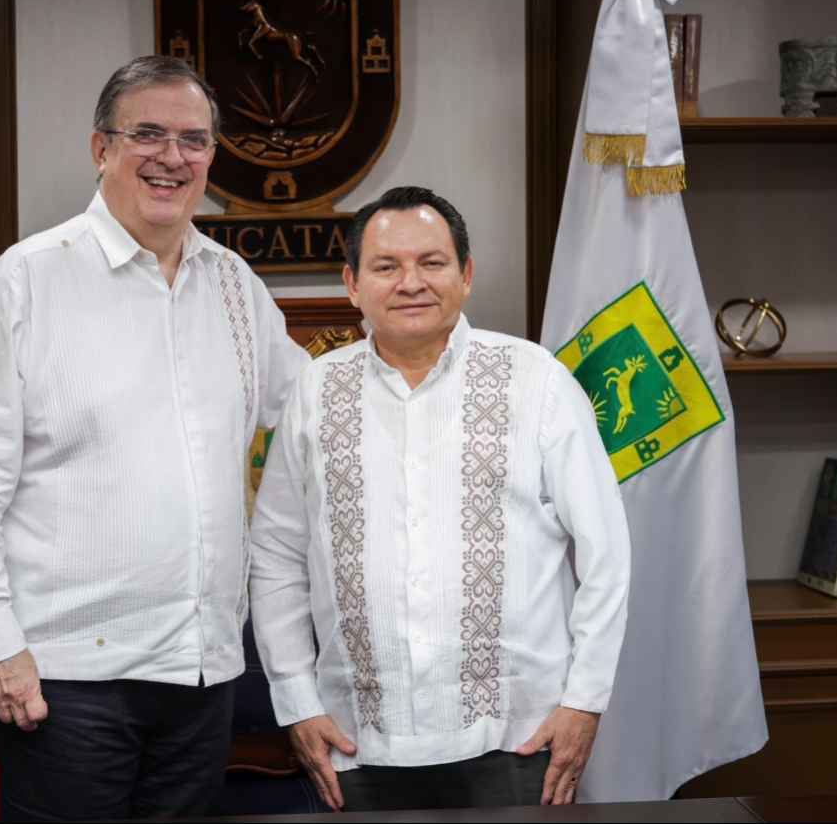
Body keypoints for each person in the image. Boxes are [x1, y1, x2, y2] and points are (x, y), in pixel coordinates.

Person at [0, 56, 309, 822]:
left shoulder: (236, 286)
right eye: (148, 135)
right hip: (62, 683)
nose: (172, 157)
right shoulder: (26, 281)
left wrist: (440, 373)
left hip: (202, 673)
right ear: (100, 149)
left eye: (194, 140)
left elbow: (317, 413)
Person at [249, 186, 631, 812]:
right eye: (386, 266)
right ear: (351, 284)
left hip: (520, 738)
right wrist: (296, 702)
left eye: (432, 263)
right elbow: (275, 556)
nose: (411, 283)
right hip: (357, 741)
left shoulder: (536, 381)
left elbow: (606, 555)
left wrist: (583, 701)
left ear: (466, 275)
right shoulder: (316, 391)